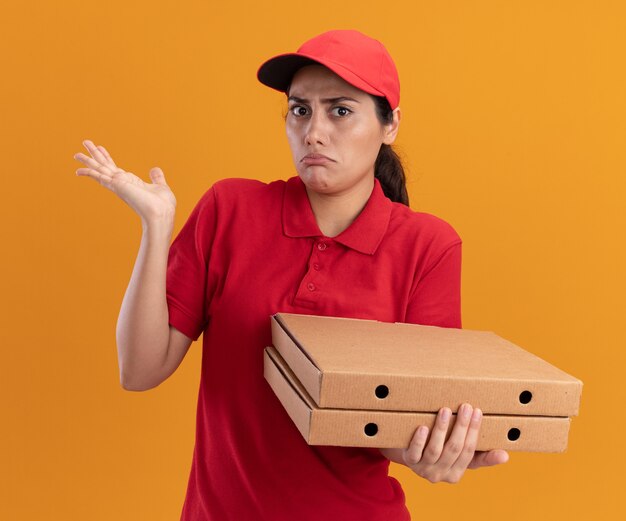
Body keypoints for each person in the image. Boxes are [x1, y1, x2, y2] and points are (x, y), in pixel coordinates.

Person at [74, 29, 509, 521]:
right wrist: (156, 227)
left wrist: (429, 451)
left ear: (390, 125)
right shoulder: (229, 210)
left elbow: (403, 424)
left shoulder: (427, 247)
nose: (314, 132)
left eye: (340, 111)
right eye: (300, 110)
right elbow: (139, 369)